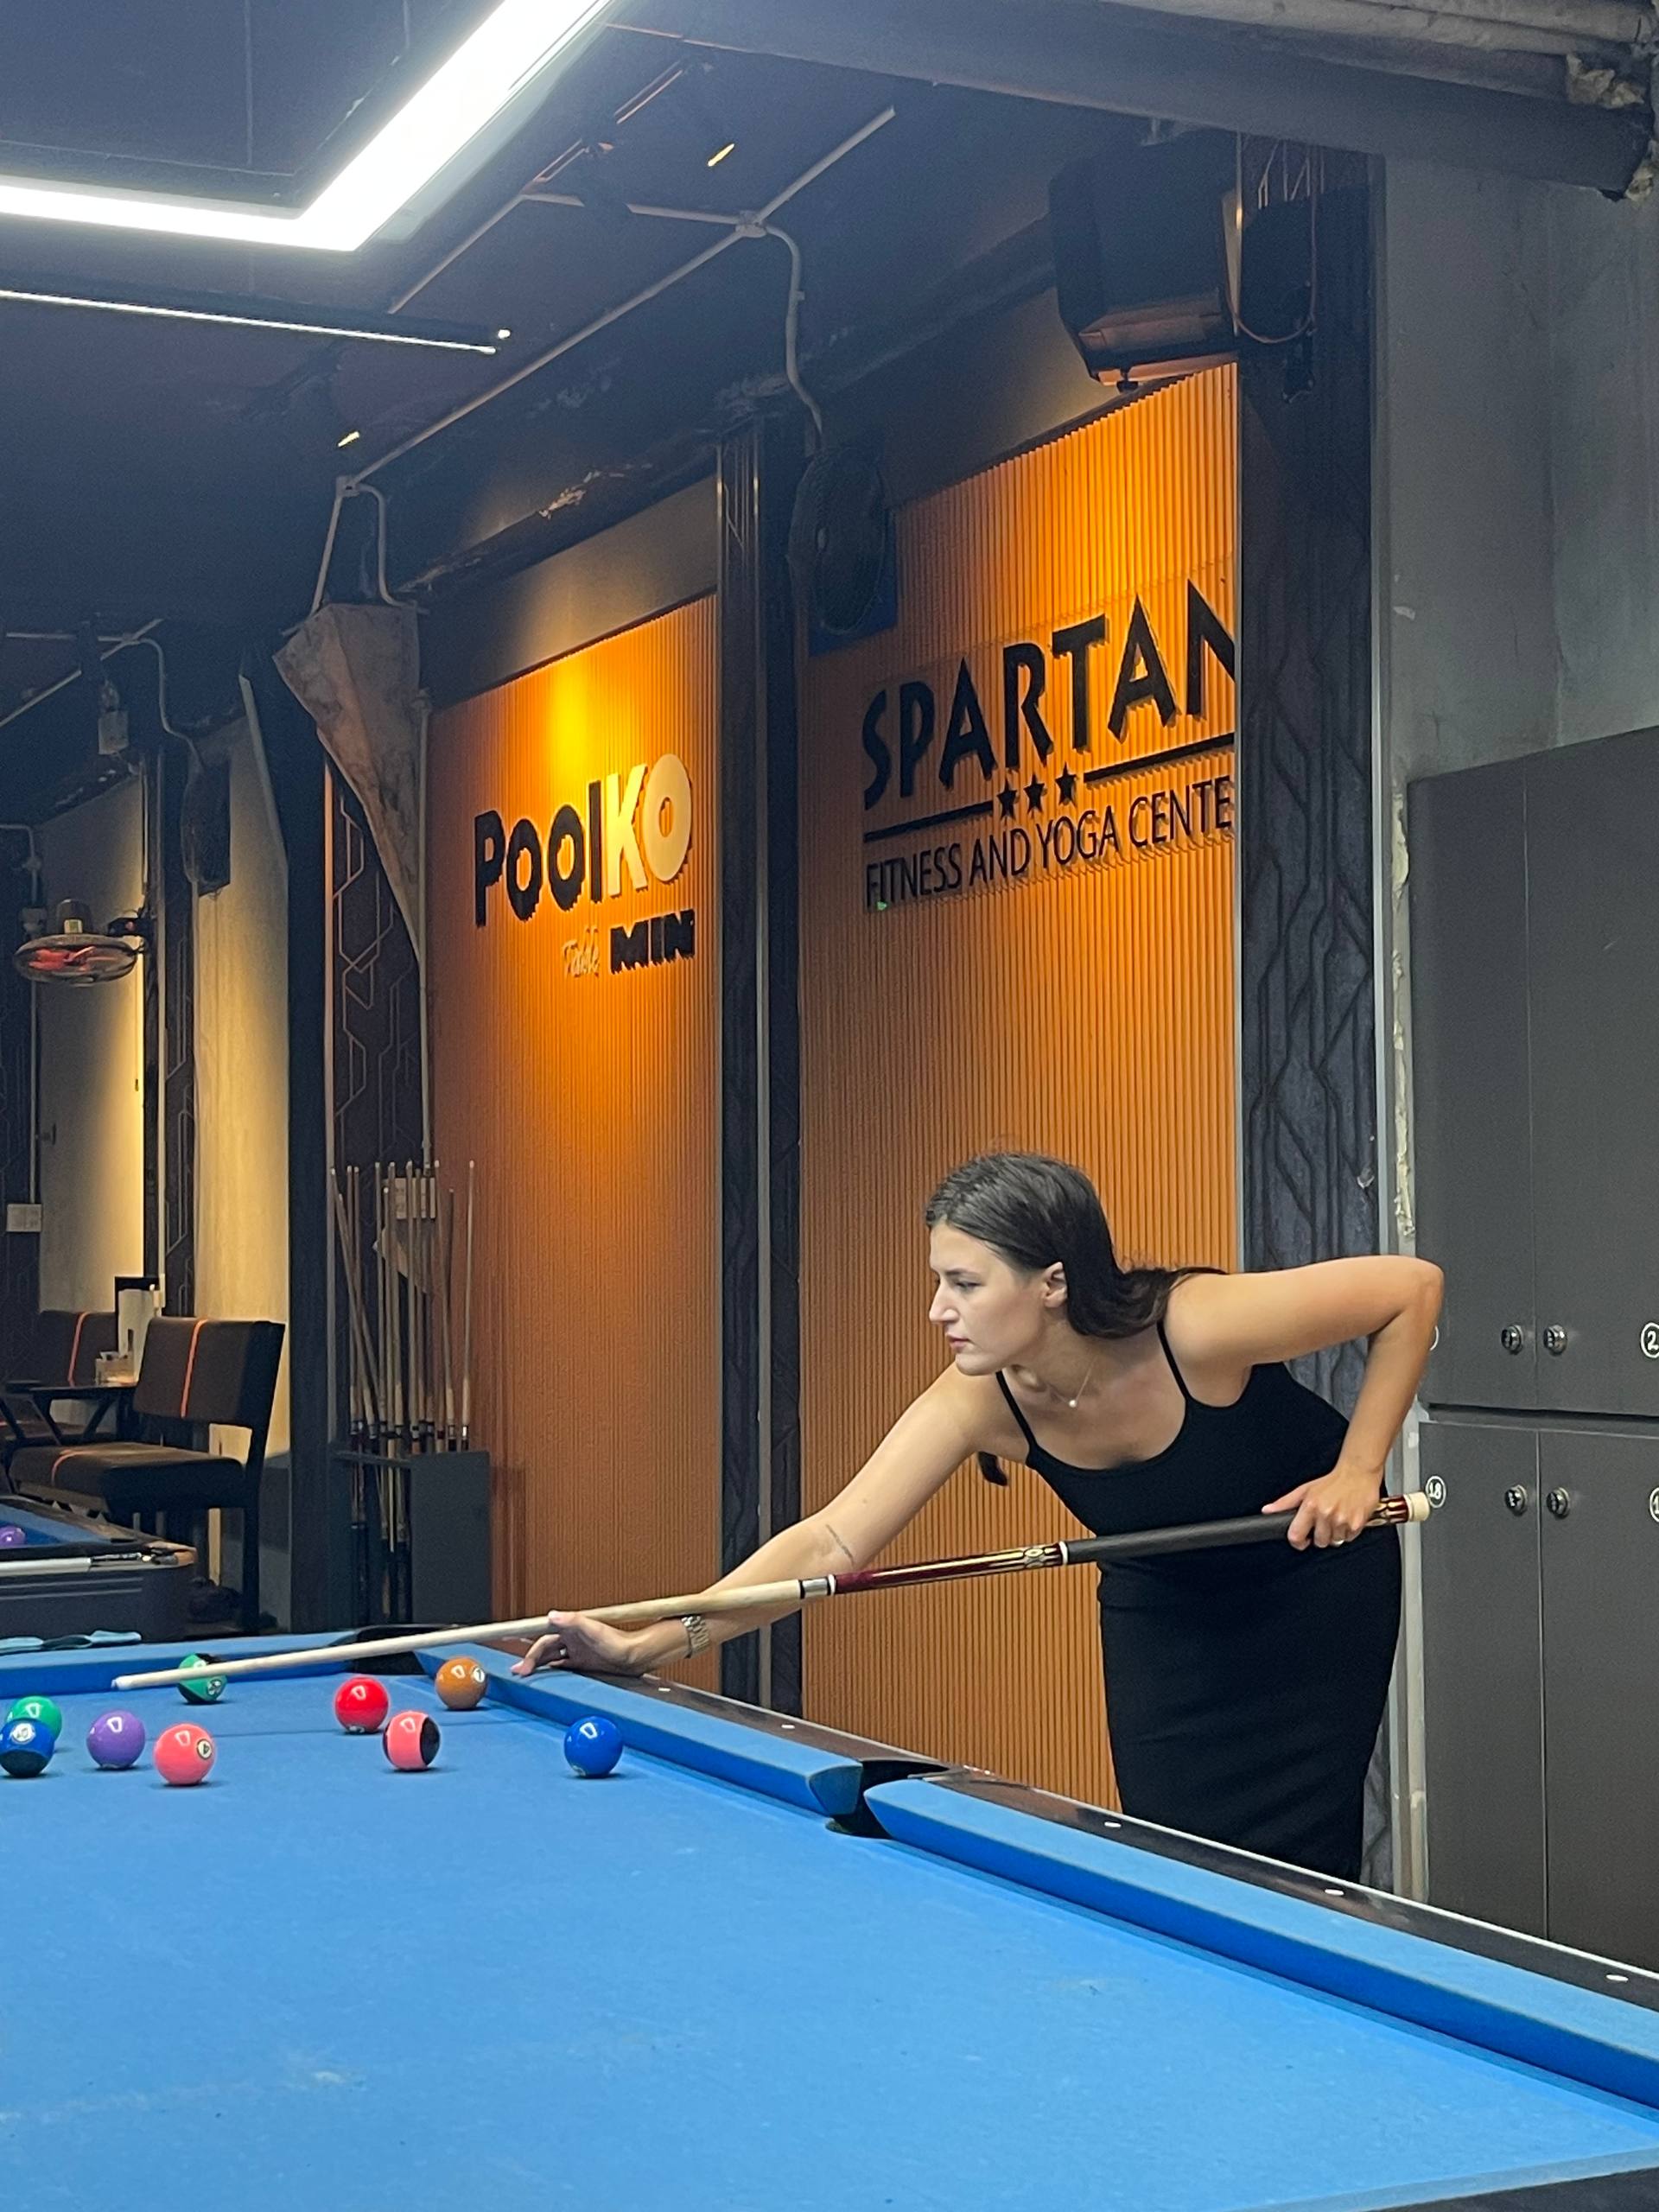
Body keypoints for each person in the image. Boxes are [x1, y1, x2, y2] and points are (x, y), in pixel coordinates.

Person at [518, 1151, 1441, 1879]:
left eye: (964, 1283)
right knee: (1175, 1847)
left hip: (1312, 1589)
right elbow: (831, 1540)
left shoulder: (1193, 1326)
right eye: (939, 1281)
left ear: (1052, 1282)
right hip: (1166, 1608)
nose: (938, 1310)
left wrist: (1359, 1470)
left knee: (1300, 1856)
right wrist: (650, 1643)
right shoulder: (981, 1399)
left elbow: (1410, 1289)